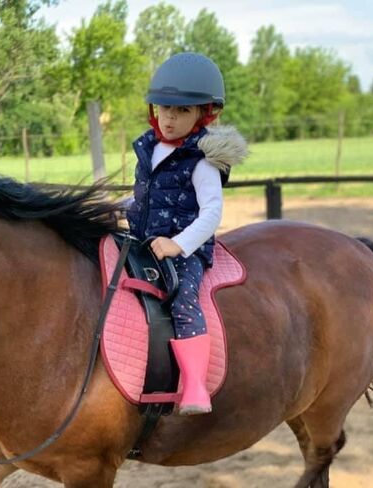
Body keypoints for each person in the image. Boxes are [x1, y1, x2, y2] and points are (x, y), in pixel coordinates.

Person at [126, 52, 247, 415]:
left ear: (204, 114)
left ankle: (195, 384)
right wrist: (114, 208)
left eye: (181, 111)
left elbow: (212, 212)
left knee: (183, 299)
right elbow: (143, 197)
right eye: (164, 109)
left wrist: (179, 245)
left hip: (184, 249)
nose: (170, 118)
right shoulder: (149, 149)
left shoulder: (201, 160)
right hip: (144, 243)